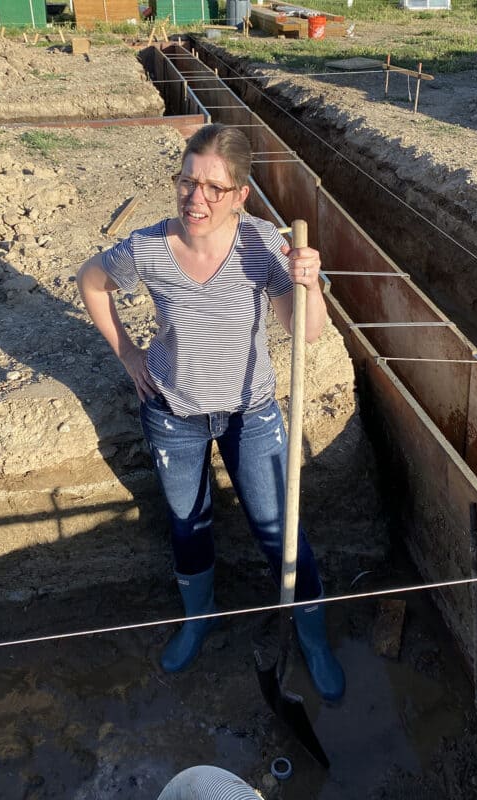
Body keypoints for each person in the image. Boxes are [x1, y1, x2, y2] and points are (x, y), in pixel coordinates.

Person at [77, 123, 345, 702]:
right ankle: (200, 618)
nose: (195, 199)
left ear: (240, 194)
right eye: (187, 182)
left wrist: (309, 286)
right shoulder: (148, 247)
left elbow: (307, 332)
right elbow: (91, 281)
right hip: (174, 413)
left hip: (250, 412)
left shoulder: (265, 246)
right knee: (188, 525)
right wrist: (128, 354)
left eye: (212, 188)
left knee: (280, 532)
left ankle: (313, 634)